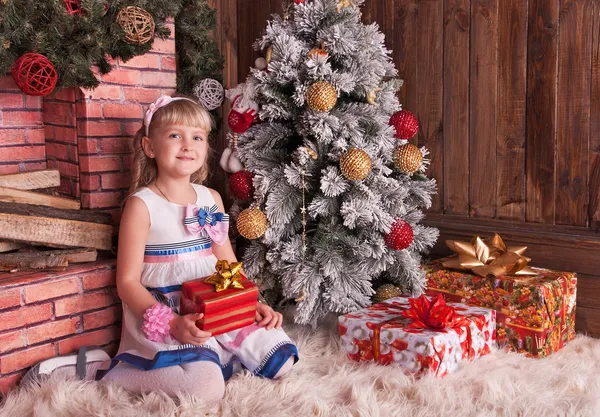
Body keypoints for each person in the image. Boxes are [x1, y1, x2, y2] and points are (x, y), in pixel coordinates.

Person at [34, 95, 298, 403]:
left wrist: (251, 303)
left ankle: (217, 356)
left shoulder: (210, 197)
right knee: (205, 389)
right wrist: (172, 323)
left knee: (281, 359)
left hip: (214, 308)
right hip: (169, 315)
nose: (188, 145)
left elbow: (226, 262)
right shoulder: (142, 205)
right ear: (149, 147)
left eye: (197, 137)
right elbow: (127, 283)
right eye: (175, 135)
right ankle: (103, 369)